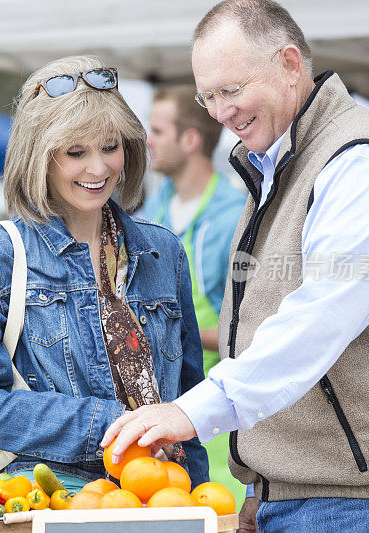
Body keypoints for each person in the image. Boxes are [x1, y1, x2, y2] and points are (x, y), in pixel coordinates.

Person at [103, 1, 369, 531]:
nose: (219, 112)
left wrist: (193, 412)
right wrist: (263, 489)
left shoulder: (361, 162)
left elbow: (323, 316)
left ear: (290, 64)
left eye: (231, 90)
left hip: (358, 501)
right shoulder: (279, 162)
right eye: (208, 96)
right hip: (305, 495)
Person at [0, 55, 209, 491]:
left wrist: (197, 498)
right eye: (75, 152)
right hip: (52, 499)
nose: (99, 168)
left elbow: (189, 405)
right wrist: (107, 425)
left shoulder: (163, 251)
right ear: (39, 157)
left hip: (160, 498)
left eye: (110, 146)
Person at [140, 84, 246, 509]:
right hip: (165, 410)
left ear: (191, 139)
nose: (147, 140)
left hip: (226, 413)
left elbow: (253, 329)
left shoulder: (237, 215)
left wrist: (177, 334)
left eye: (158, 130)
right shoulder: (150, 211)